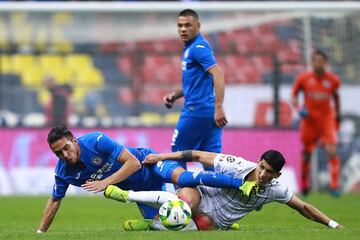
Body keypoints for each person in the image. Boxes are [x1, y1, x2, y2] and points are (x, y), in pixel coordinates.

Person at [36, 125, 257, 233]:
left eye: (66, 148)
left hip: (150, 164)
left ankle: (240, 183)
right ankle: (221, 223)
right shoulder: (63, 172)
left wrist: (106, 182)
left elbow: (133, 163)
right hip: (140, 191)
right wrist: (40, 233)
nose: (65, 155)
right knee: (176, 224)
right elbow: (55, 200)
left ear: (74, 141)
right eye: (58, 153)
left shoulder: (95, 141)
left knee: (188, 178)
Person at [104, 149, 343, 231]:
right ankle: (142, 213)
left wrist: (332, 224)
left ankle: (154, 226)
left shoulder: (276, 189)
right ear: (257, 162)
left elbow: (303, 207)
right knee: (184, 199)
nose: (262, 174)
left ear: (276, 175)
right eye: (262, 167)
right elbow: (197, 155)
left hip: (217, 219)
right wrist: (162, 156)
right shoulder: (237, 165)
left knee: (203, 227)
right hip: (202, 196)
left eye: (269, 172)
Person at [163, 9, 227, 171]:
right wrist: (174, 95)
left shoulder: (198, 47)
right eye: (180, 26)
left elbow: (217, 74)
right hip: (209, 112)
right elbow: (192, 84)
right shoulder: (192, 47)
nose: (183, 29)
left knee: (176, 154)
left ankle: (182, 195)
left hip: (196, 111)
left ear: (198, 26)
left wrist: (219, 106)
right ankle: (214, 196)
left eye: (188, 25)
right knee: (211, 159)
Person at [291, 50, 341, 196]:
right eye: (316, 61)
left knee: (331, 150)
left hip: (326, 119)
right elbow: (294, 97)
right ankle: (305, 185)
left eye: (321, 61)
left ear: (325, 63)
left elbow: (336, 98)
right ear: (312, 62)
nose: (318, 64)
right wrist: (300, 109)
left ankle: (335, 186)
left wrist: (337, 116)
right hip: (309, 121)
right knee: (307, 154)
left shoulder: (333, 80)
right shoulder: (303, 79)